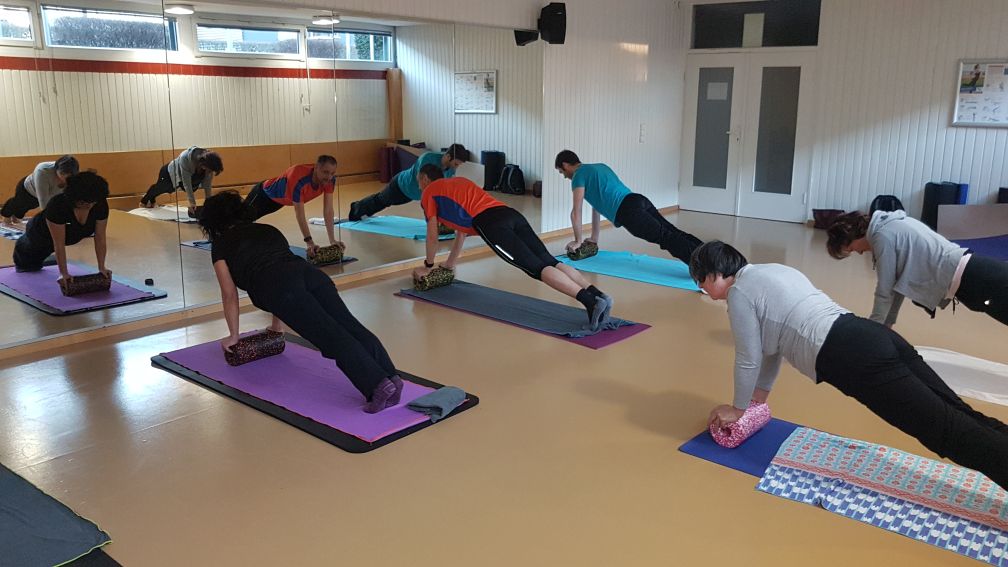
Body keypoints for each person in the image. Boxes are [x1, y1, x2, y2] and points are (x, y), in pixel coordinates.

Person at [690, 240, 1008, 489]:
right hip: (871, 335)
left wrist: (738, 409)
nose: (705, 291)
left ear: (714, 273)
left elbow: (748, 357)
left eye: (702, 282)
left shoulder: (739, 293)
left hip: (852, 356)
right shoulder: (772, 271)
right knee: (957, 411)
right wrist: (757, 401)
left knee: (944, 430)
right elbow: (771, 348)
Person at [198, 191, 401, 413]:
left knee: (331, 336)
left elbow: (230, 294)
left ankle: (377, 385)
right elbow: (278, 268)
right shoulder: (268, 230)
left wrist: (234, 336)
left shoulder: (221, 245)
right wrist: (276, 325)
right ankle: (391, 376)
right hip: (311, 275)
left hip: (283, 289)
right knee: (349, 325)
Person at [413, 164, 613, 331]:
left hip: (491, 224)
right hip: (511, 214)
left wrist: (428, 265)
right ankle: (598, 295)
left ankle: (590, 302)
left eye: (418, 182)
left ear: (424, 179)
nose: (419, 186)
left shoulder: (429, 193)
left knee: (537, 268)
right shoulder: (458, 182)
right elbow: (461, 233)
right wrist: (449, 265)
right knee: (550, 261)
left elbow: (432, 234)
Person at [826, 210, 1008, 327]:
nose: (859, 253)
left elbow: (885, 290)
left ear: (853, 236)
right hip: (972, 274)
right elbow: (898, 286)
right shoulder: (891, 223)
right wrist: (887, 324)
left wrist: (874, 329)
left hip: (975, 280)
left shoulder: (882, 237)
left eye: (852, 249)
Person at [555, 150, 702, 262]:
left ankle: (703, 269)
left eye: (562, 172)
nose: (565, 176)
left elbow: (576, 212)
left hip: (628, 212)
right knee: (672, 232)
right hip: (638, 200)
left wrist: (578, 241)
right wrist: (594, 237)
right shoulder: (599, 167)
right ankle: (708, 253)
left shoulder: (578, 175)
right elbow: (597, 206)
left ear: (566, 165)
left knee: (666, 238)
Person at [13, 171, 110, 282]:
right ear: (75, 198)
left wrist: (101, 267)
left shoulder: (99, 203)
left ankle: (51, 259)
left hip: (68, 237)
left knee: (49, 256)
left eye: (92, 202)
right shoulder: (58, 205)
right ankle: (26, 254)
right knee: (29, 265)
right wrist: (64, 273)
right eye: (84, 202)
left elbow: (100, 237)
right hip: (39, 234)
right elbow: (58, 244)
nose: (89, 205)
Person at [242, 155, 342, 257]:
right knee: (240, 220)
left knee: (245, 223)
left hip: (279, 202)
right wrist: (309, 242)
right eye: (325, 172)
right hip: (262, 195)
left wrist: (332, 240)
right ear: (316, 168)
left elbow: (328, 210)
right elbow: (300, 214)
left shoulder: (330, 181)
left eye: (332, 173)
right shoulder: (299, 177)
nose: (329, 177)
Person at [348, 144, 469, 221]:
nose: (456, 167)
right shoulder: (427, 158)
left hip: (411, 195)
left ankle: (362, 212)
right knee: (381, 201)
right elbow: (422, 181)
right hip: (400, 185)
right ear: (448, 156)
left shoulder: (451, 170)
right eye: (456, 164)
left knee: (385, 203)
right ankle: (356, 209)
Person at [140, 146, 223, 217]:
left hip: (184, 178)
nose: (210, 172)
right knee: (161, 188)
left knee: (169, 190)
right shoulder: (186, 158)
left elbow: (207, 186)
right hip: (168, 173)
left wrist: (209, 205)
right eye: (209, 170)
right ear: (203, 164)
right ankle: (144, 200)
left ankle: (152, 198)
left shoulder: (209, 165)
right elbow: (187, 184)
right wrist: (192, 203)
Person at [1, 155, 80, 224]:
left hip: (43, 196)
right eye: (62, 174)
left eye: (68, 176)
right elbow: (43, 201)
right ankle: (5, 214)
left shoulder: (75, 175)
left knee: (24, 210)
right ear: (56, 169)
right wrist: (49, 221)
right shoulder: (43, 170)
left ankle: (16, 217)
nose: (64, 178)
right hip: (27, 190)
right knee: (19, 204)